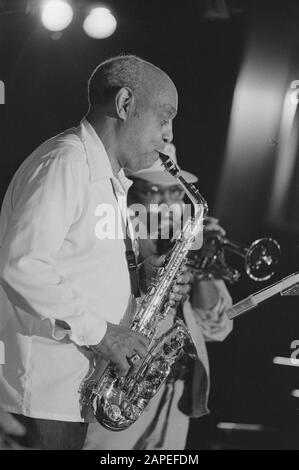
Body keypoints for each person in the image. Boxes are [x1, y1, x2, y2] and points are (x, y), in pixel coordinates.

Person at [0, 55, 192, 450]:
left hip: (69, 395)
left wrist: (144, 278)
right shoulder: (66, 163)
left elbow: (80, 266)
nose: (168, 135)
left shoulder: (109, 178)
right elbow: (22, 266)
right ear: (124, 104)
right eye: (164, 118)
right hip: (41, 396)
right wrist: (105, 336)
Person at [84, 143, 233, 450]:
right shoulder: (108, 237)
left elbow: (216, 326)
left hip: (170, 397)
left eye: (177, 193)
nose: (169, 204)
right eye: (155, 191)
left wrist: (203, 267)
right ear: (131, 193)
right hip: (115, 388)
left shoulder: (187, 238)